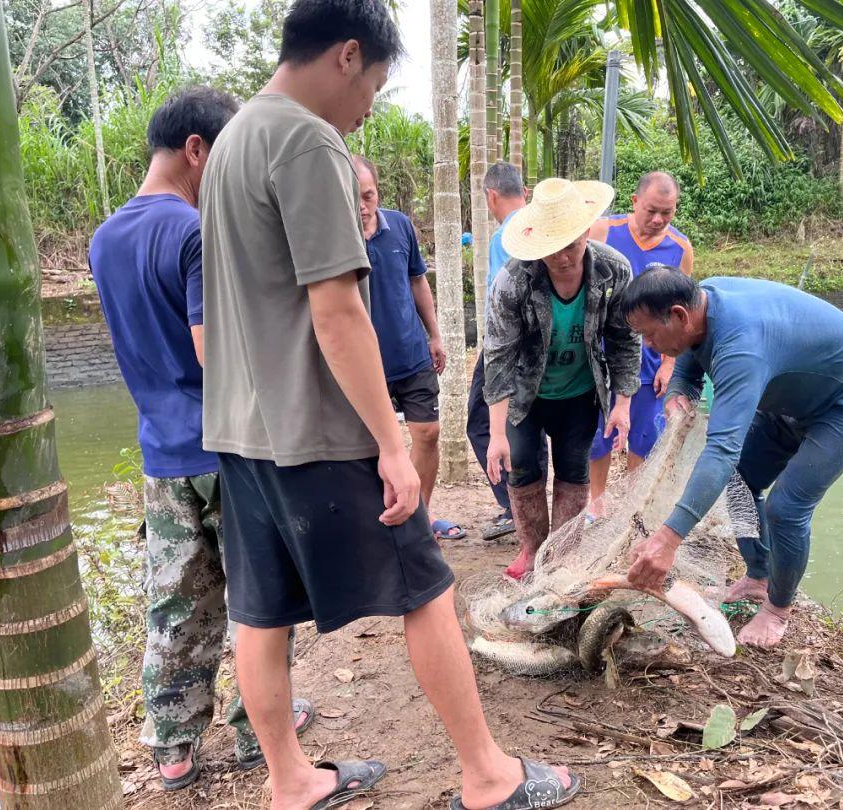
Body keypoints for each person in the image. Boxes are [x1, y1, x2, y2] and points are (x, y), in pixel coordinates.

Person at [199, 3, 579, 809]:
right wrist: (391, 443)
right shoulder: (307, 140)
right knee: (425, 587)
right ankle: (488, 775)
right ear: (346, 56)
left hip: (239, 430)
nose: (370, 103)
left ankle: (289, 780)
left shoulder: (232, 138)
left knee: (259, 612)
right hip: (317, 429)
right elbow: (336, 311)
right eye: (374, 81)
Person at [88, 87, 312, 791]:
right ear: (195, 151)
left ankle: (174, 746)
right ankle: (256, 735)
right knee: (257, 595)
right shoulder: (193, 231)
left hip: (161, 451)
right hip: (223, 447)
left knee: (176, 599)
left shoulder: (105, 238)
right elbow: (216, 350)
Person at [621, 269, 843, 648]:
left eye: (650, 334)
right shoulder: (701, 303)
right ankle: (758, 577)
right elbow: (689, 350)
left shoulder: (741, 346)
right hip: (789, 396)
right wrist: (680, 388)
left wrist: (668, 538)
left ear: (679, 315)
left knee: (786, 507)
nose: (650, 345)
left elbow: (720, 450)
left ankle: (778, 609)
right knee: (739, 479)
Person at [484, 177, 642, 582]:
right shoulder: (512, 281)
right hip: (526, 394)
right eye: (552, 249)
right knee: (523, 467)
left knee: (574, 470)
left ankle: (562, 552)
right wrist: (497, 434)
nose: (564, 258)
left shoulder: (613, 271)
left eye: (571, 245)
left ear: (586, 232)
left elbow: (624, 339)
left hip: (580, 391)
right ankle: (532, 548)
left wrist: (623, 403)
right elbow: (499, 356)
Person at [353, 154, 463, 541]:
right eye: (354, 197)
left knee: (428, 433)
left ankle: (421, 515)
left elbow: (418, 282)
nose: (363, 206)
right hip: (363, 367)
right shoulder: (334, 237)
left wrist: (435, 335)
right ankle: (381, 522)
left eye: (368, 195)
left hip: (411, 354)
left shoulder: (399, 226)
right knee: (371, 448)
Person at [587, 171, 694, 513]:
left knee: (645, 435)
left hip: (650, 360)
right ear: (634, 202)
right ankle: (597, 501)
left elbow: (682, 313)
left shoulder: (680, 249)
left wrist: (669, 363)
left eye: (668, 211)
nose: (659, 219)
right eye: (651, 210)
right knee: (598, 435)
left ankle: (633, 506)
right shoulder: (603, 231)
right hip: (602, 356)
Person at [465, 161, 544, 541]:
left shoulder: (506, 236)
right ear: (524, 192)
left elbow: (503, 295)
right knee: (530, 425)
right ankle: (531, 508)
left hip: (507, 347)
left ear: (491, 196)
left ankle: (514, 504)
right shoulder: (543, 227)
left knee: (481, 422)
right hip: (543, 347)